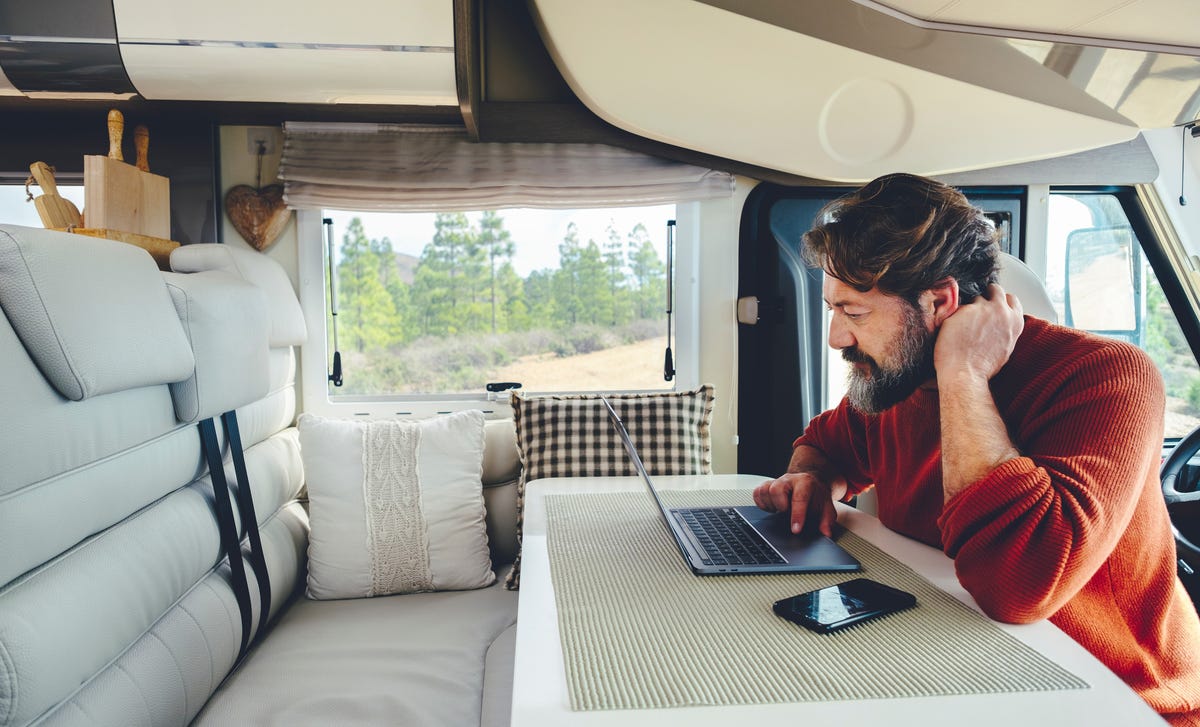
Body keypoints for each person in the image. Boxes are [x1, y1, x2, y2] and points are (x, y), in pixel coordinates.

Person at [752, 173, 1200, 725]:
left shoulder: (1106, 377)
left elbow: (1018, 589)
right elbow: (823, 446)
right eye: (833, 310)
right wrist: (813, 480)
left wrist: (963, 373)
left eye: (856, 313)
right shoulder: (897, 380)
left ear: (940, 301)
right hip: (966, 661)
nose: (837, 339)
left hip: (1121, 697)